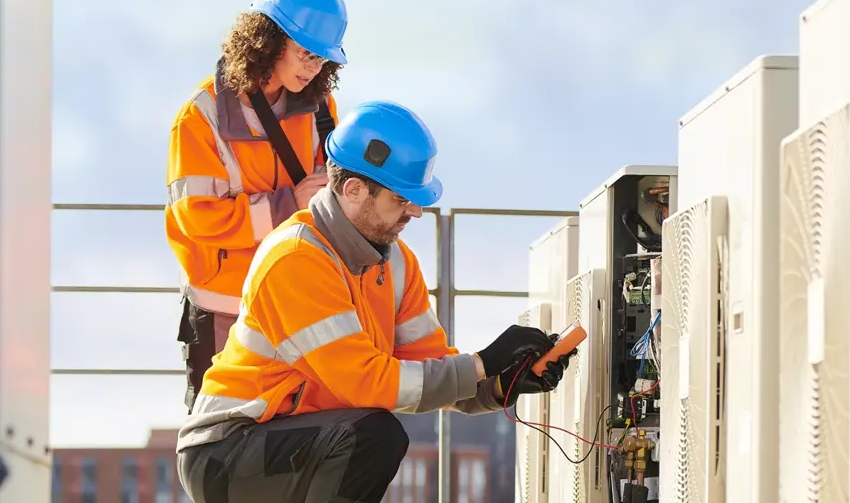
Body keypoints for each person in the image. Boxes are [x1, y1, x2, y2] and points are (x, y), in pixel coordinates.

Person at [175, 100, 577, 503]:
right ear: (353, 190)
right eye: (401, 200)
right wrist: (482, 362)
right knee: (374, 435)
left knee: (369, 433)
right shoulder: (296, 259)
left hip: (297, 439)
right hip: (225, 452)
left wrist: (500, 382)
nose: (416, 212)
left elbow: (428, 366)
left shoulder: (396, 263)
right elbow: (365, 383)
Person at [165, 0, 349, 414]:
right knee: (217, 443)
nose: (314, 68)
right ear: (269, 40)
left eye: (322, 59)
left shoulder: (323, 108)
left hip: (295, 302)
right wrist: (289, 205)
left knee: (291, 442)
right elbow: (196, 219)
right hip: (223, 310)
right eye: (305, 53)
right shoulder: (200, 115)